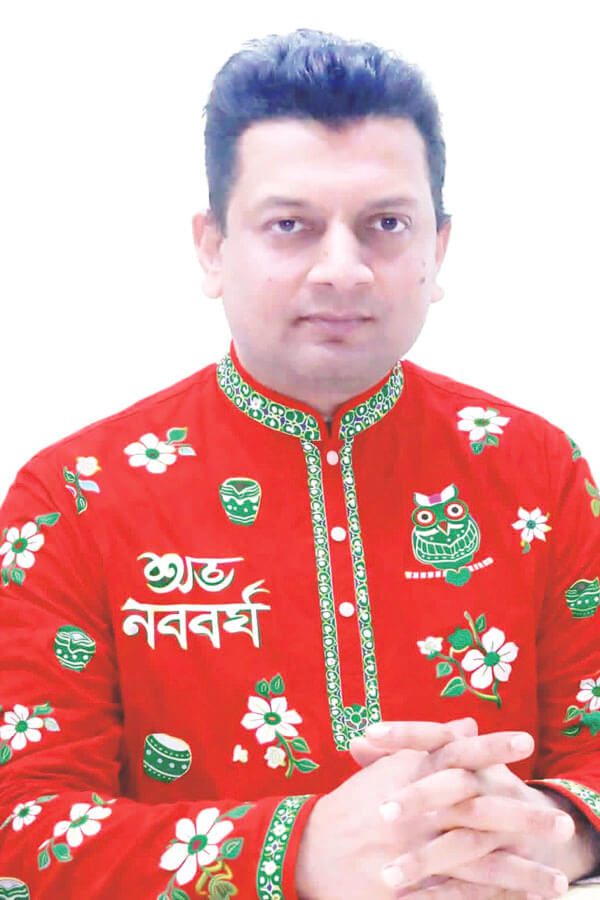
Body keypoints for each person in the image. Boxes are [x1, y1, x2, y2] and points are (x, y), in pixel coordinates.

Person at [1, 26, 599, 900]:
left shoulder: (536, 468)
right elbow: (22, 824)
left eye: (386, 225)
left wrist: (552, 830)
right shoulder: (74, 497)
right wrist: (294, 852)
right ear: (212, 247)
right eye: (291, 226)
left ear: (439, 250)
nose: (343, 270)